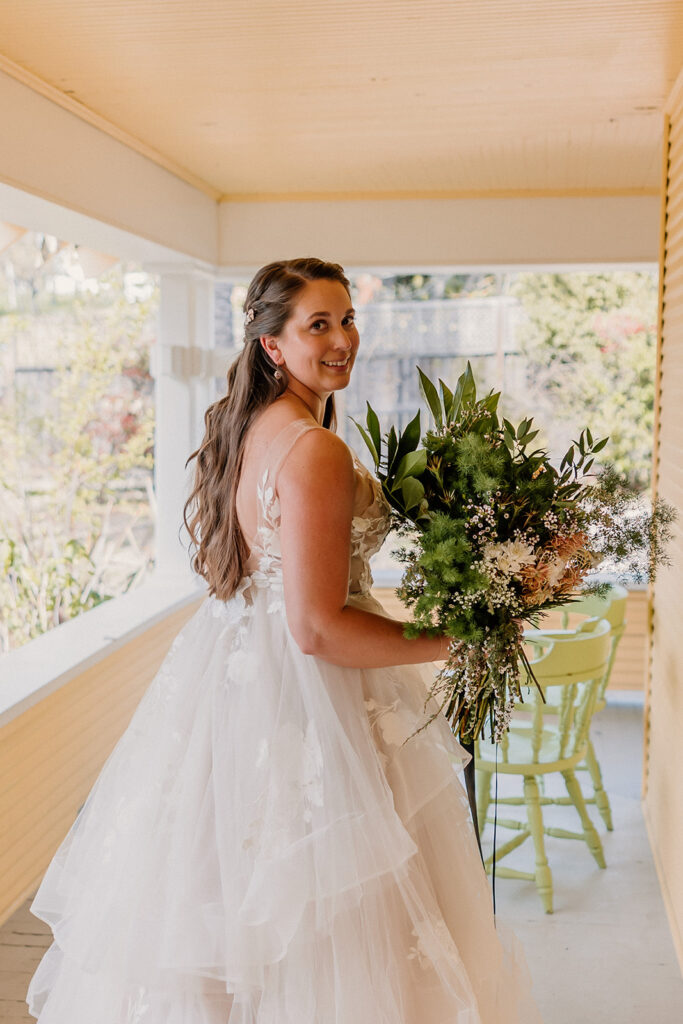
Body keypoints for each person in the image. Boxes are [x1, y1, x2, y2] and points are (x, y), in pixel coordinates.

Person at [26, 257, 542, 1023]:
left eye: (347, 319)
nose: (342, 340)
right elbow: (316, 628)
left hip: (233, 685)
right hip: (307, 704)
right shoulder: (313, 449)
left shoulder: (253, 431)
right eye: (318, 324)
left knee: (247, 907)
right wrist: (458, 638)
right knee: (330, 910)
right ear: (272, 346)